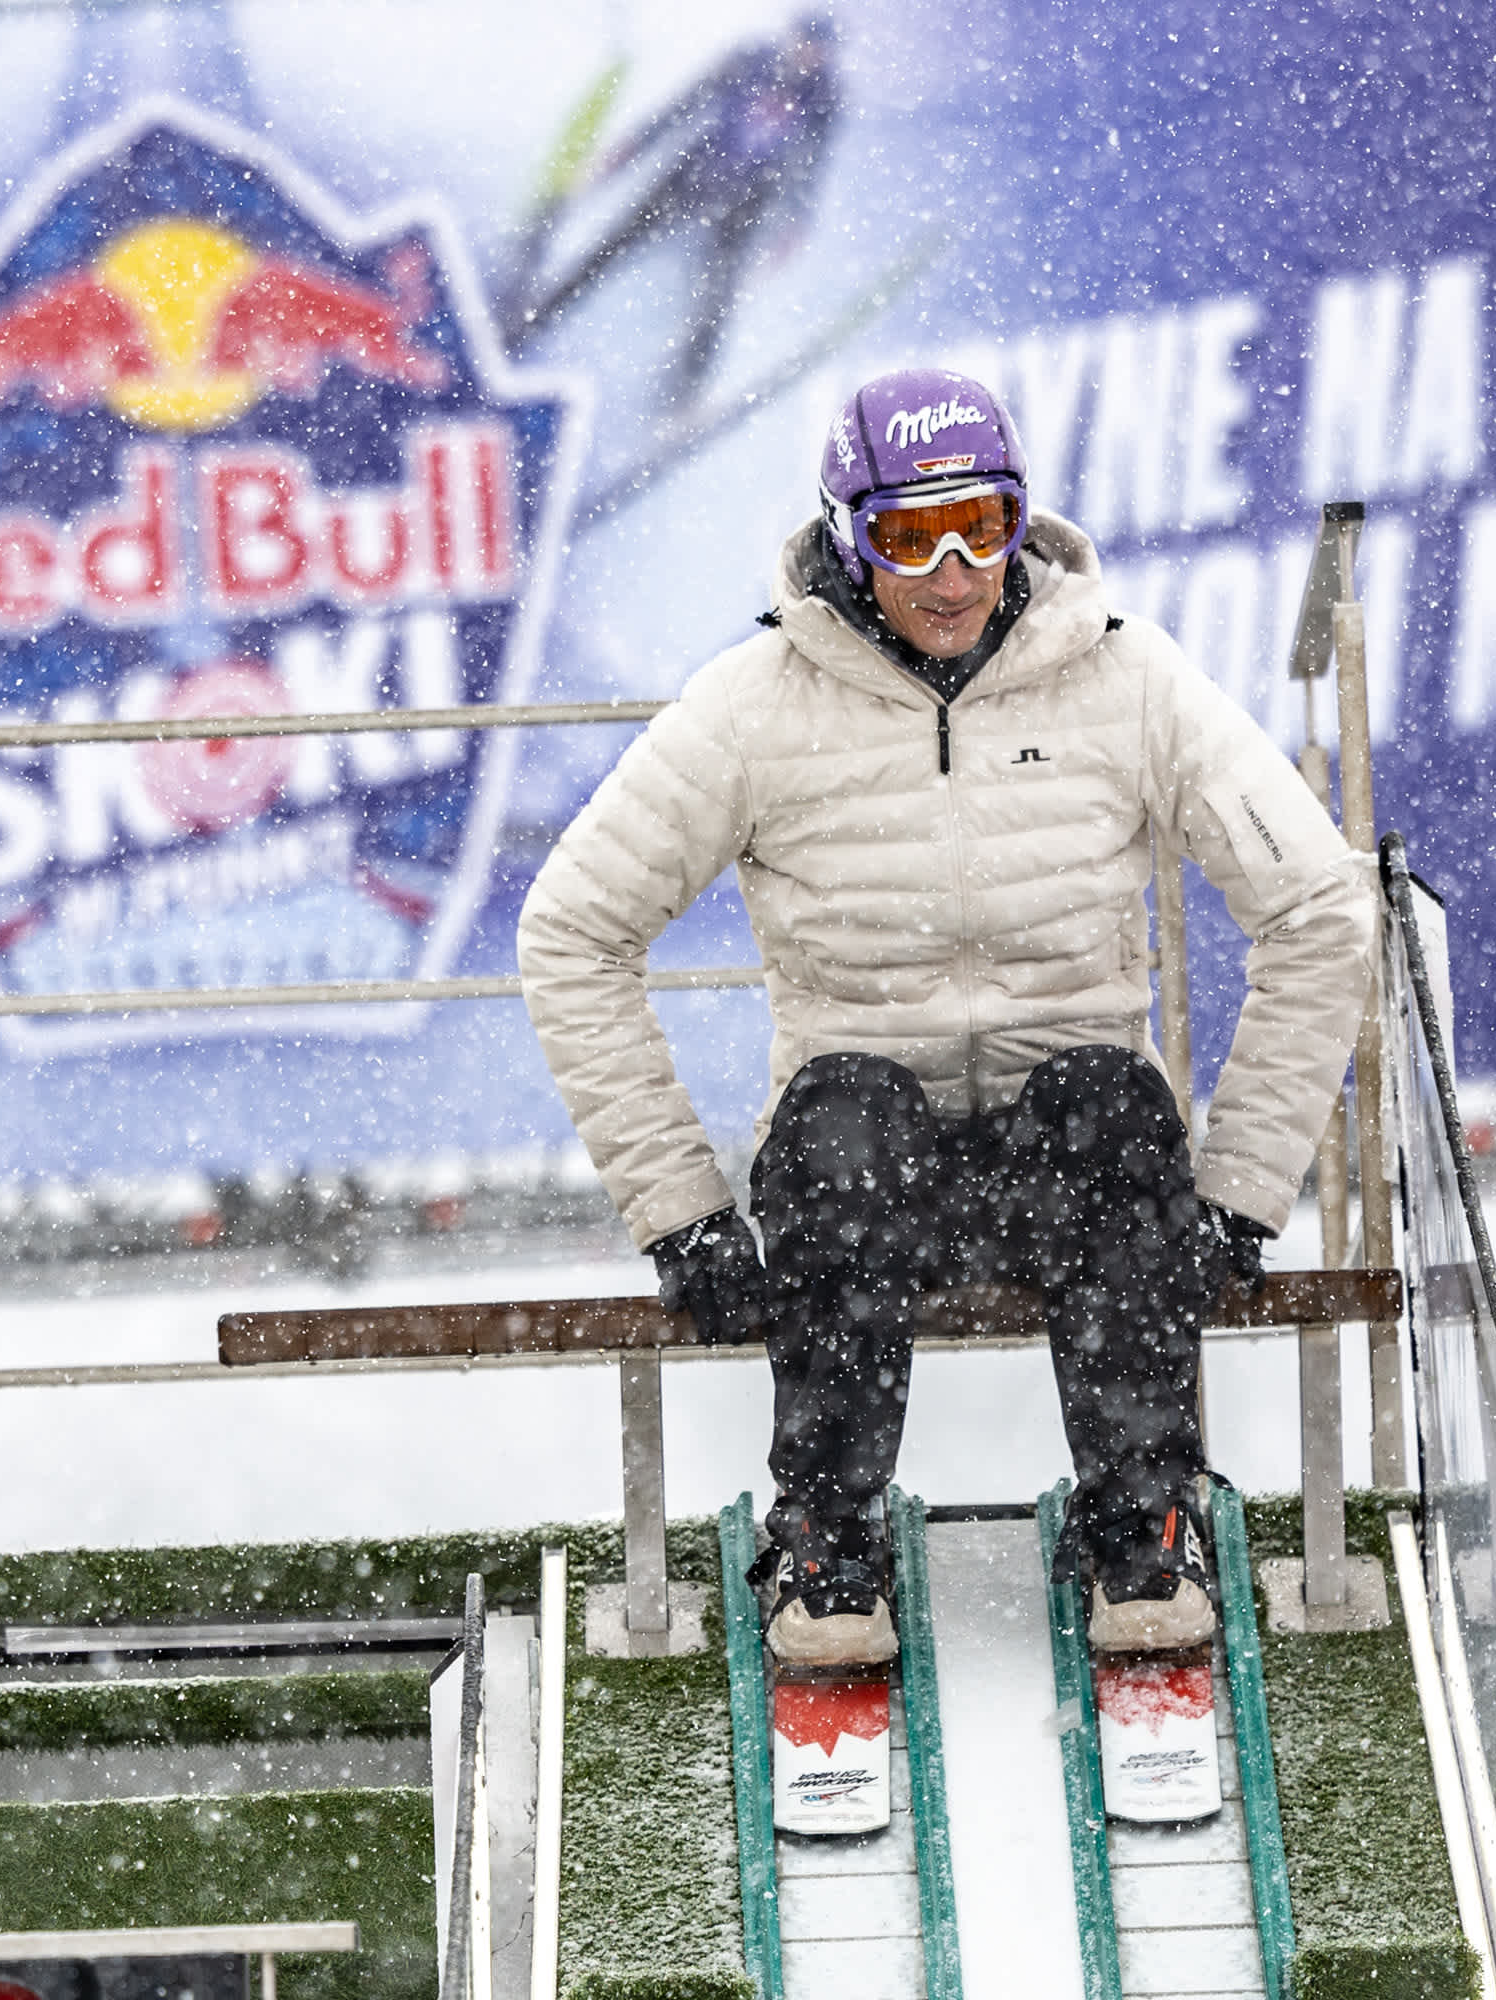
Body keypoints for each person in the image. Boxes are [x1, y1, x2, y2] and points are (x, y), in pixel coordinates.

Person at [518, 366, 1374, 1665]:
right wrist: (680, 1210)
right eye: (911, 537)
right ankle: (828, 1541)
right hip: (866, 1176)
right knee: (845, 1119)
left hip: (1066, 1167)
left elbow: (1317, 905)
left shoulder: (1127, 680)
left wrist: (1245, 1189)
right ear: (848, 539)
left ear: (1024, 523)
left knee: (1112, 1100)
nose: (953, 574)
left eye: (982, 526)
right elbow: (573, 929)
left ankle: (1145, 1526)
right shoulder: (755, 706)